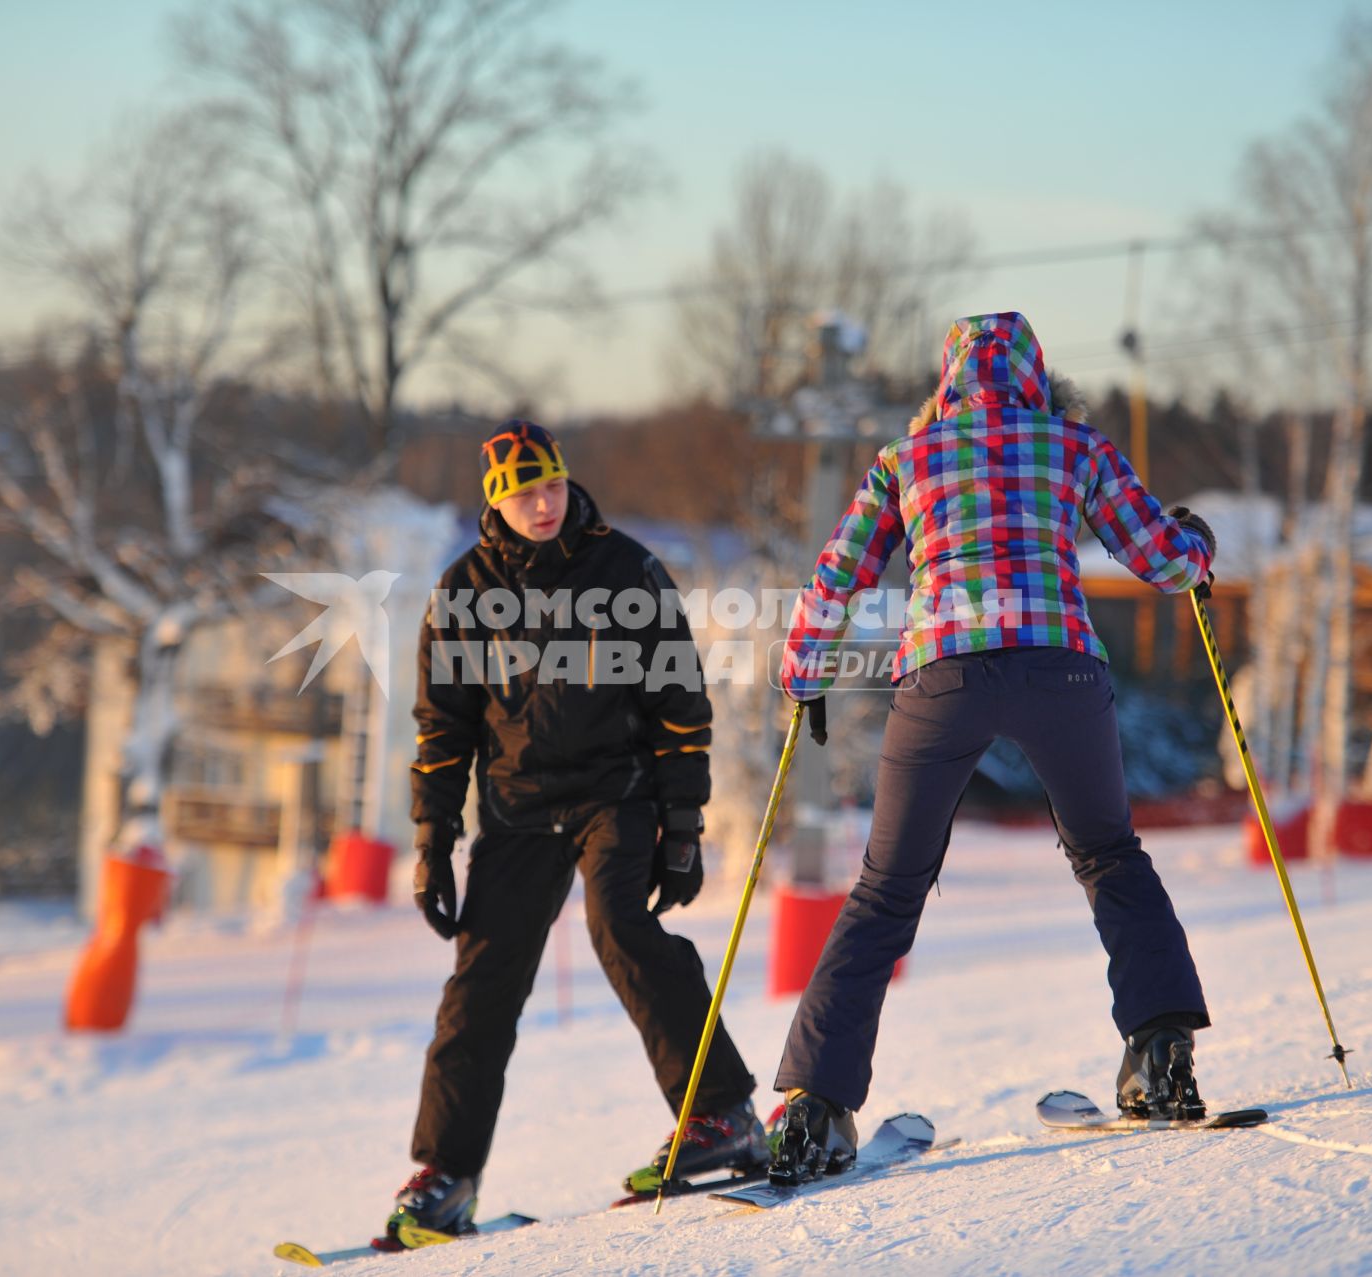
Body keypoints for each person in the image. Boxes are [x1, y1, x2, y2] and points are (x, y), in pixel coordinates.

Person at [765, 312, 1218, 1183]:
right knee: (1111, 855)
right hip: (1062, 673)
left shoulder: (907, 458)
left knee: (883, 891)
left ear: (946, 381)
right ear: (1036, 379)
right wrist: (1197, 544)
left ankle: (816, 1110)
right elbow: (1164, 561)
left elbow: (838, 573)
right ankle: (1161, 1060)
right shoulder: (1075, 446)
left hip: (944, 673)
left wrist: (803, 670)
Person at [387, 419, 763, 1242]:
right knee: (480, 980)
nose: (544, 502)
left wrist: (682, 825)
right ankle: (447, 1175)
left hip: (613, 795)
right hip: (517, 810)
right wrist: (430, 842)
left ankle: (722, 1115)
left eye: (552, 484)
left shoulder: (626, 569)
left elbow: (680, 708)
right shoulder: (463, 591)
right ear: (497, 499)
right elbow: (441, 728)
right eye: (524, 492)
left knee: (622, 926)